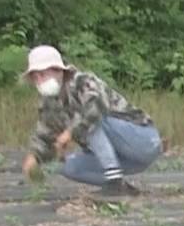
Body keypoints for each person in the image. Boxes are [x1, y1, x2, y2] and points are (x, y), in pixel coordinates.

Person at [20, 45, 164, 197]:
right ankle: (119, 185)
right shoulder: (49, 102)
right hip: (126, 159)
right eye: (35, 77)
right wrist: (34, 157)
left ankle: (113, 179)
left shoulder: (84, 81)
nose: (38, 80)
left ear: (58, 70)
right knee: (67, 167)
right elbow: (45, 133)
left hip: (142, 141)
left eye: (42, 74)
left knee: (90, 118)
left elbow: (96, 107)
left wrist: (70, 132)